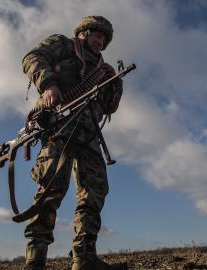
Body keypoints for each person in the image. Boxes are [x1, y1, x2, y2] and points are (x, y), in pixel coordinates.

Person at [21, 16, 125, 270]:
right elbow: (31, 57)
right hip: (61, 127)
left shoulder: (103, 69)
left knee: (94, 193)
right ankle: (35, 262)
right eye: (96, 35)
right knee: (49, 191)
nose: (100, 42)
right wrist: (48, 85)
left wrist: (115, 83)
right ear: (83, 33)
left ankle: (84, 259)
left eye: (103, 39)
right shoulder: (64, 45)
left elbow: (110, 106)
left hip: (89, 136)